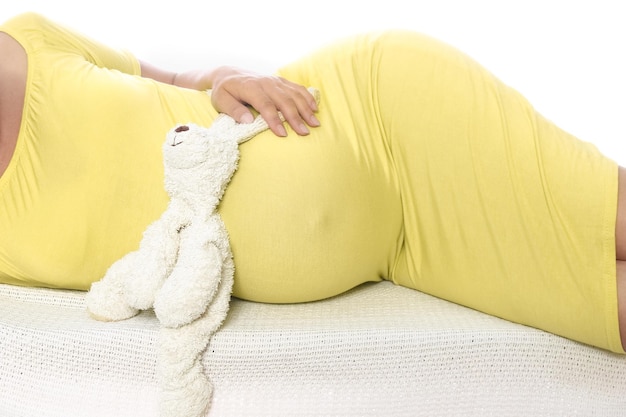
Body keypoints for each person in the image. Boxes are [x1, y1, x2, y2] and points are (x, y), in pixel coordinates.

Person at [0, 12, 624, 355]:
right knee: (604, 307)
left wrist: (222, 77)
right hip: (400, 254)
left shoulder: (29, 37)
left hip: (372, 108)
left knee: (610, 215)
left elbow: (183, 79)